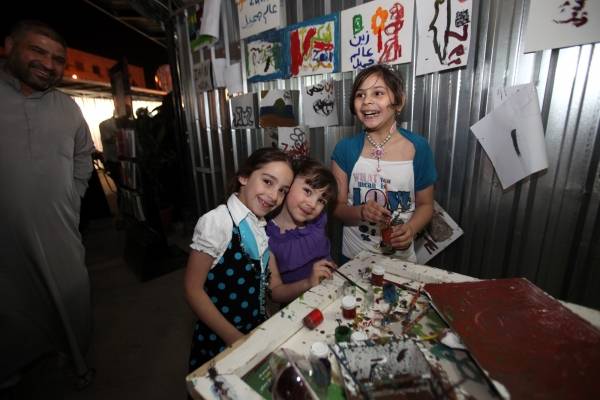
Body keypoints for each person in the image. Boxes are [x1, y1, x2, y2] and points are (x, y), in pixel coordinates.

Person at [0, 20, 94, 387]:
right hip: (6, 234)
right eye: (37, 51)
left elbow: (83, 157)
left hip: (59, 228)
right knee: (11, 302)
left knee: (71, 295)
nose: (48, 64)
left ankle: (76, 359)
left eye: (57, 59)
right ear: (10, 46)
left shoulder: (67, 107)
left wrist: (73, 197)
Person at [184, 148, 333, 370]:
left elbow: (270, 288)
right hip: (222, 338)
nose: (273, 196)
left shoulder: (260, 227)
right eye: (267, 182)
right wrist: (235, 338)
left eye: (282, 190)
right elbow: (192, 290)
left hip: (254, 329)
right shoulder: (217, 222)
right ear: (244, 176)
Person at [331, 64, 437, 263]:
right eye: (360, 95)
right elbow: (337, 207)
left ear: (399, 102)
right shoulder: (345, 149)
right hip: (353, 259)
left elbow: (425, 204)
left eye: (378, 93)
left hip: (401, 261)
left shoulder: (418, 148)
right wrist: (361, 211)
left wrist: (411, 229)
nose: (367, 101)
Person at [266, 158, 338, 287]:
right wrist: (308, 282)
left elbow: (324, 255)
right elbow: (276, 292)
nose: (312, 204)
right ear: (289, 184)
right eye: (307, 191)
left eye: (321, 201)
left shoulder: (319, 222)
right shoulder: (266, 237)